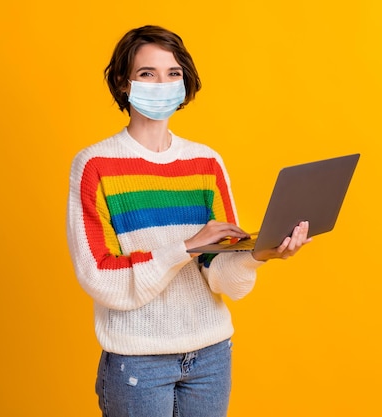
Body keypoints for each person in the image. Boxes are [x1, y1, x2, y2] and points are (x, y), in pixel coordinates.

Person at [66, 25, 310, 417]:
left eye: (173, 73)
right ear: (122, 83)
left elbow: (219, 273)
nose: (162, 83)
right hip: (139, 361)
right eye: (147, 73)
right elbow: (101, 278)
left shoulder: (206, 162)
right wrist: (184, 247)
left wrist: (260, 254)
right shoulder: (95, 166)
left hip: (211, 356)